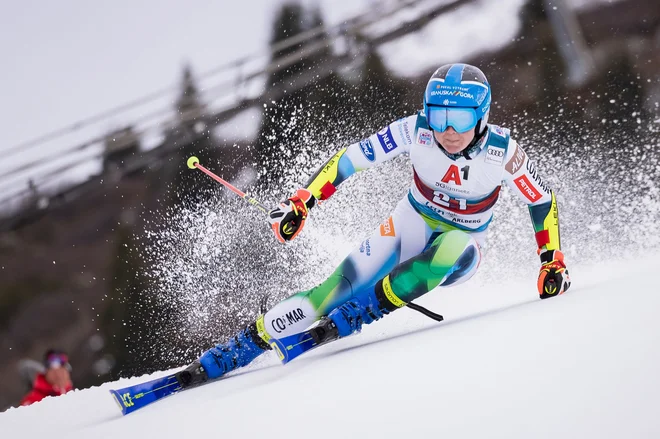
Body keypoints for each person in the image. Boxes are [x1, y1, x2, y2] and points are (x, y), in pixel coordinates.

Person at [181, 63, 571, 384]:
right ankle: (239, 347)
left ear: (482, 117)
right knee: (330, 292)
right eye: (439, 115)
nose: (448, 130)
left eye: (461, 117)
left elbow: (541, 199)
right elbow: (350, 159)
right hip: (410, 224)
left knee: (451, 247)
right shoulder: (415, 131)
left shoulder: (503, 153)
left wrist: (551, 259)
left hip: (461, 247)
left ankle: (360, 313)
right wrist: (303, 202)